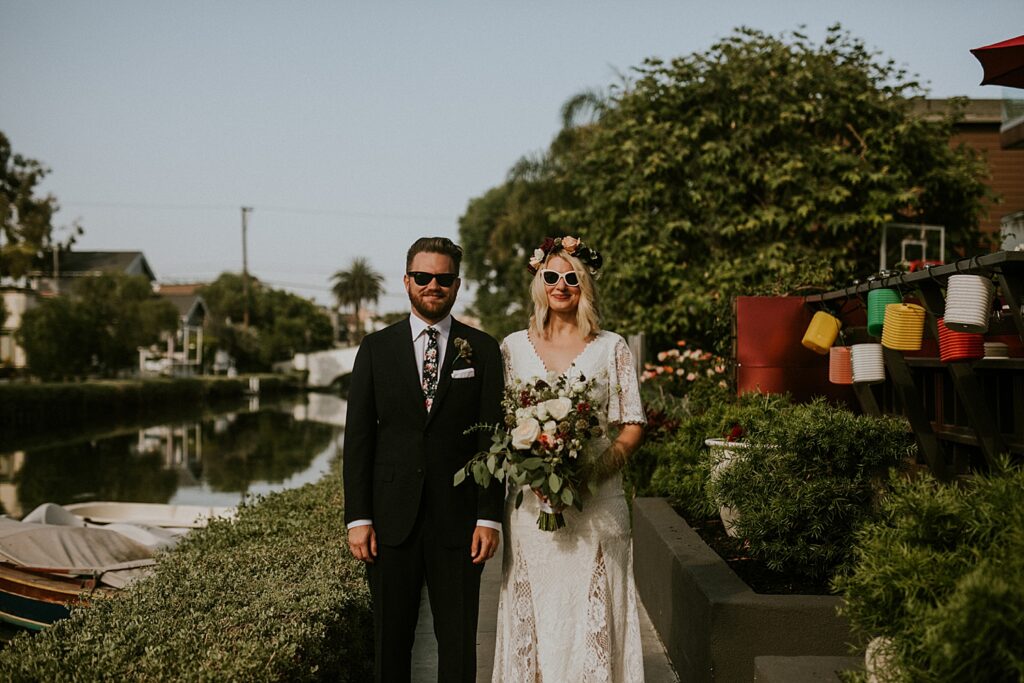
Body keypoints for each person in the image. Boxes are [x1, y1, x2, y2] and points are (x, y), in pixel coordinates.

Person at [344, 236, 504, 683]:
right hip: (390, 523)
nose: (433, 285)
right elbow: (357, 439)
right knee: (391, 643)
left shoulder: (483, 350)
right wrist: (358, 517)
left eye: (443, 278)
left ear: (457, 285)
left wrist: (489, 519)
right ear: (407, 281)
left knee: (457, 644)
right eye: (423, 276)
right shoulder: (376, 349)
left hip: (460, 524)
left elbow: (492, 439)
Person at [491, 236, 647, 682]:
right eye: (552, 276)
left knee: (593, 617)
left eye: (572, 277)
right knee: (534, 615)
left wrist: (587, 475)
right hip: (531, 511)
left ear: (585, 285)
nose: (562, 285)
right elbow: (502, 425)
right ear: (539, 280)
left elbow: (632, 424)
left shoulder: (612, 346)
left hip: (597, 508)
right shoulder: (512, 347)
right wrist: (532, 470)